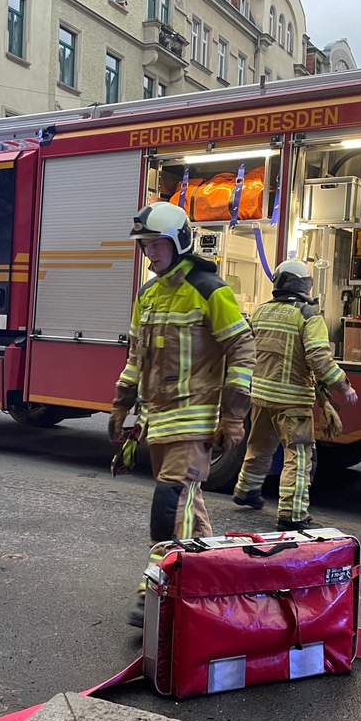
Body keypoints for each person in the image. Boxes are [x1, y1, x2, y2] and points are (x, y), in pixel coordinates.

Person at [109, 202, 256, 627]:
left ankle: (152, 589)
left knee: (169, 499)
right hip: (161, 421)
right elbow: (136, 356)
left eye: (156, 245)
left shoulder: (210, 289)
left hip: (197, 418)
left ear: (179, 243)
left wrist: (234, 416)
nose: (150, 254)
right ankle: (208, 579)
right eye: (145, 246)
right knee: (189, 508)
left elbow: (242, 351)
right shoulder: (148, 295)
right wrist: (122, 403)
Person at [231, 259, 357, 530]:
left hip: (261, 395)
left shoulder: (261, 312)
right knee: (298, 456)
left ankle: (247, 490)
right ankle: (292, 515)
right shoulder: (309, 316)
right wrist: (343, 386)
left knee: (259, 446)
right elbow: (319, 359)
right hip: (292, 401)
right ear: (305, 286)